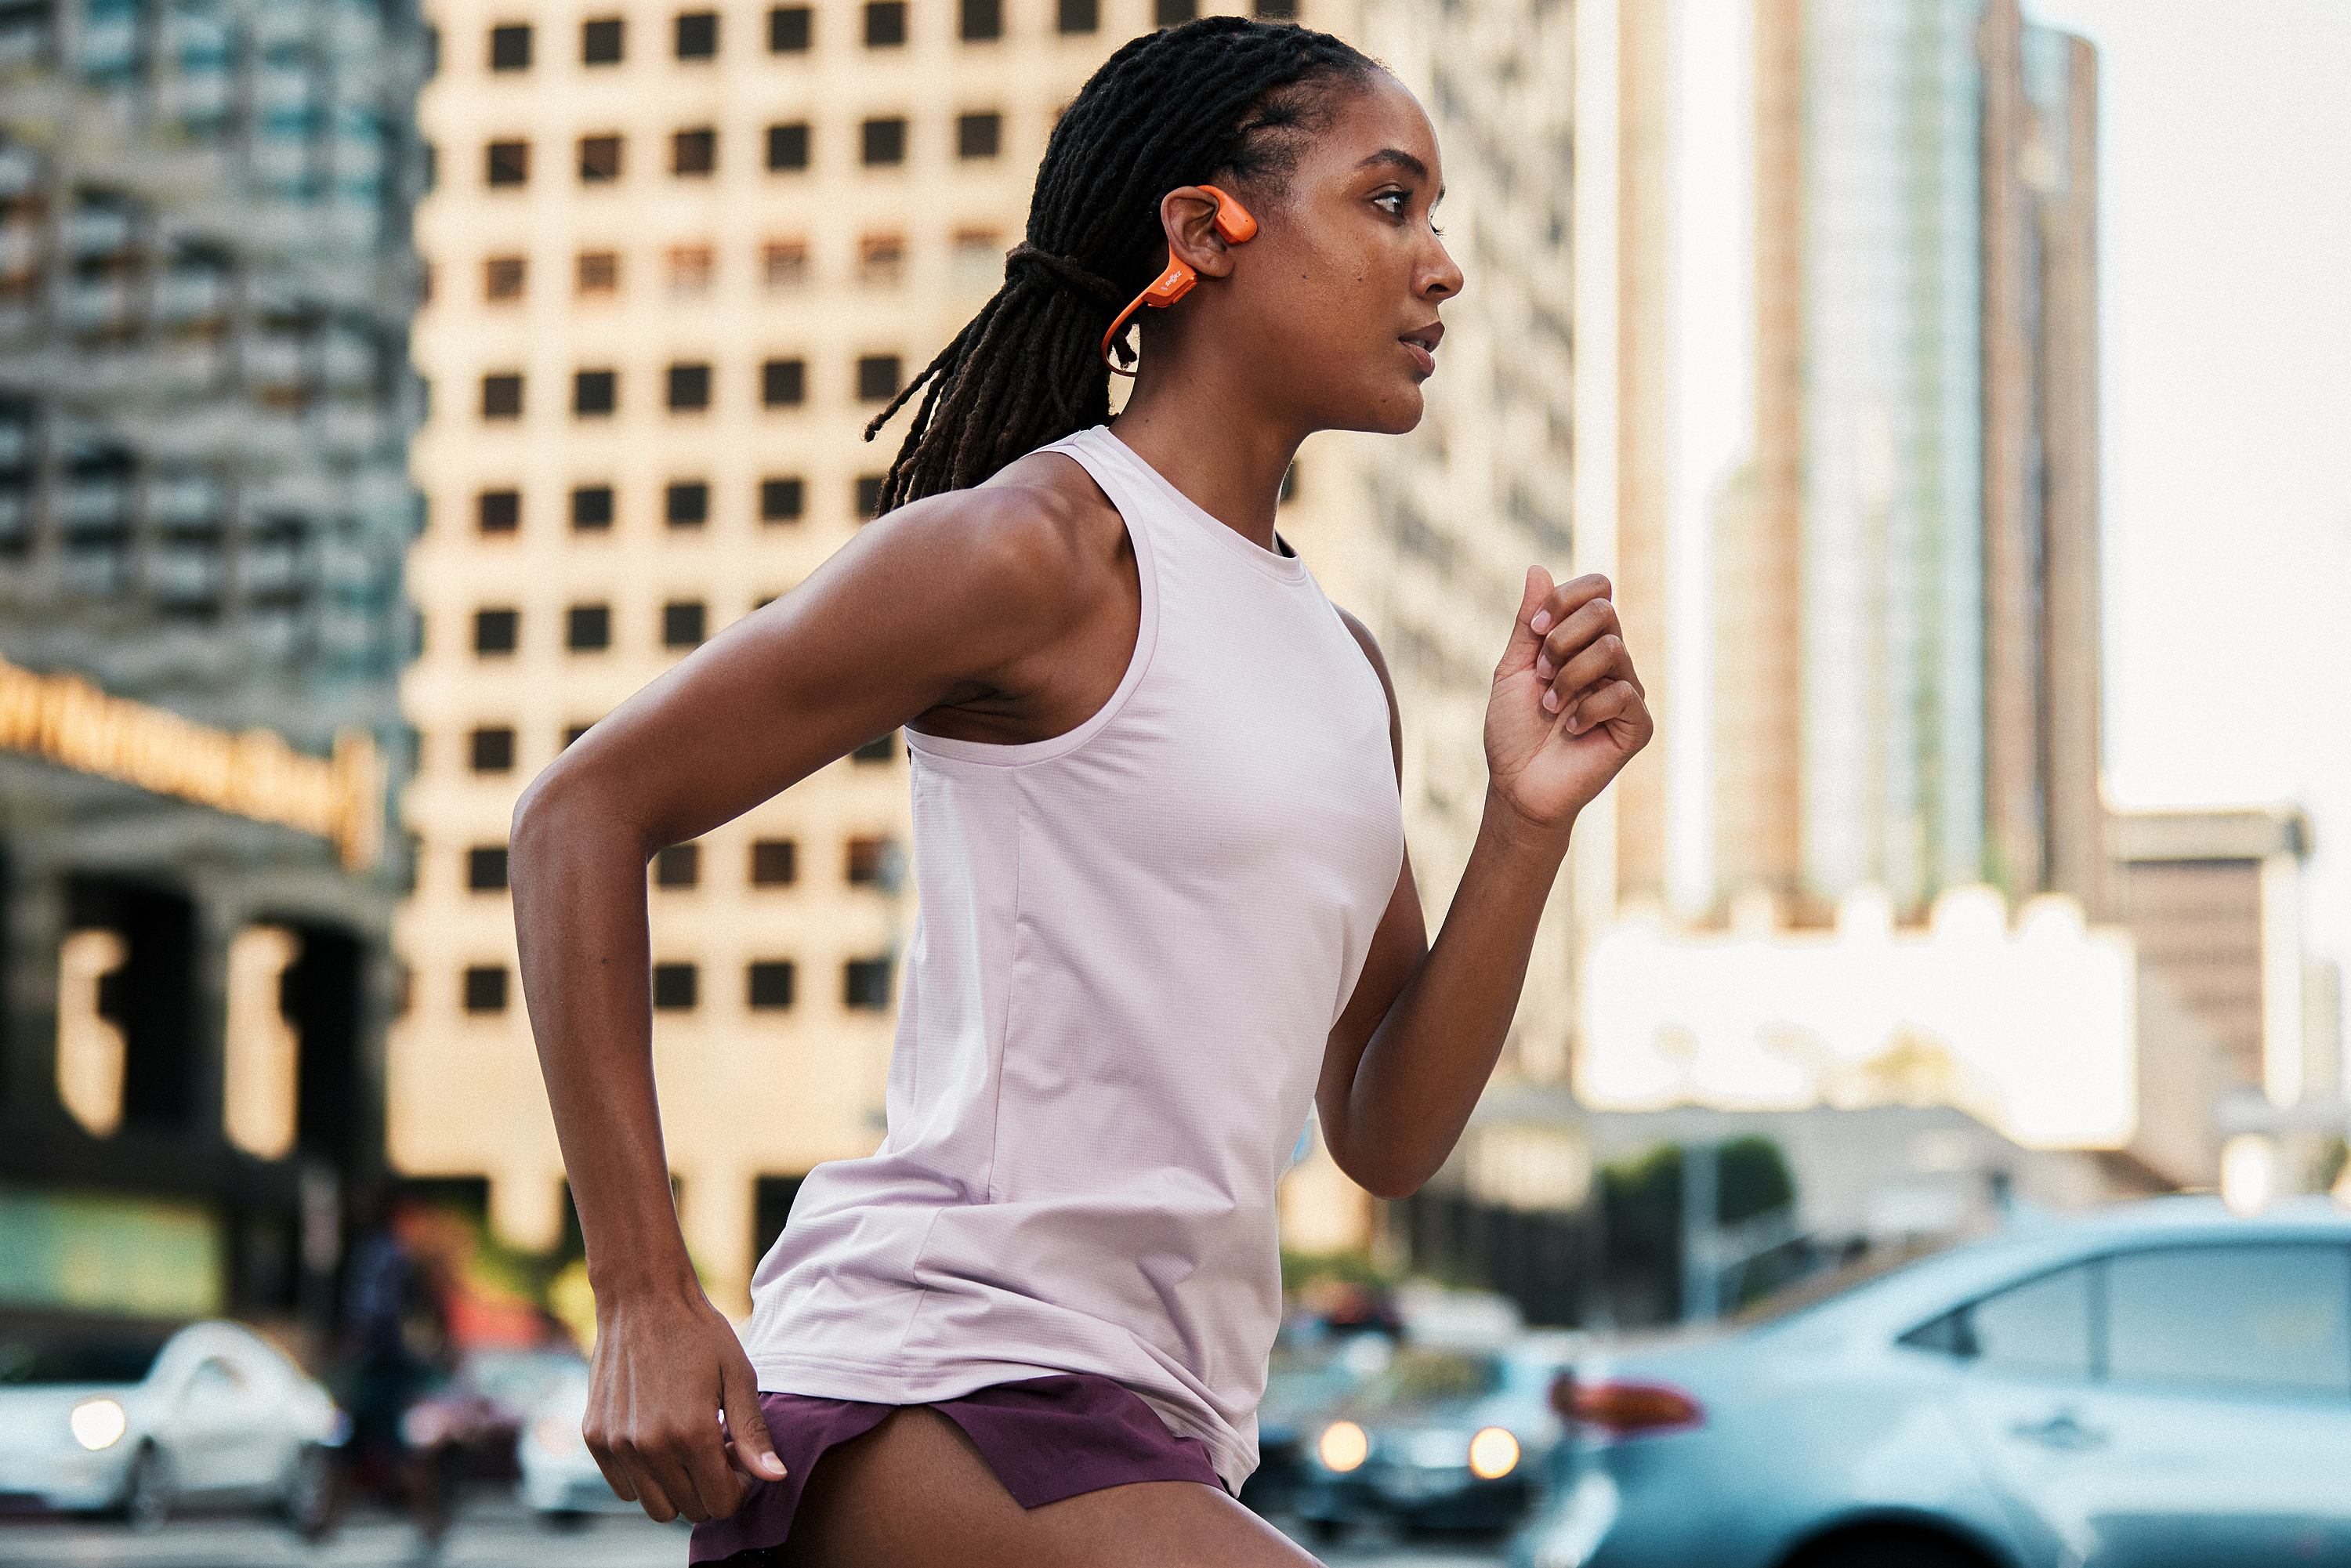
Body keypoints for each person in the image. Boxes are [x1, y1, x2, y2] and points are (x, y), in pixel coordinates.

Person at [509, 16, 1650, 1566]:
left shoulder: (1343, 666)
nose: (1441, 264)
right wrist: (643, 1287)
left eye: (1437, 217)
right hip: (939, 1381)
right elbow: (580, 812)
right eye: (1390, 202)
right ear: (1205, 231)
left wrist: (1526, 823)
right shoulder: (1036, 547)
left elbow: (1383, 1126)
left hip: (1156, 1421)